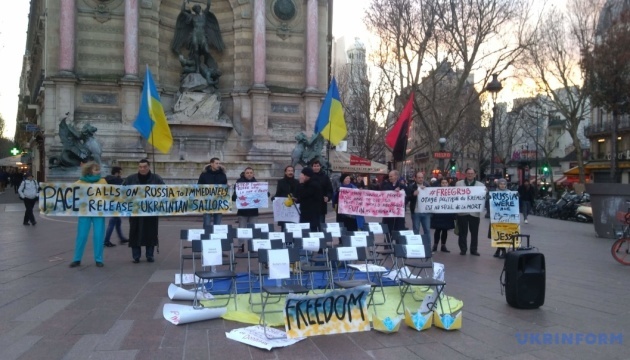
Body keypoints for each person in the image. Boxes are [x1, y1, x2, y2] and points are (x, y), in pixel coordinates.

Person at [123, 159, 164, 263]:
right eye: (140, 167)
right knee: (134, 233)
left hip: (151, 212)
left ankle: (149, 255)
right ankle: (136, 256)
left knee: (151, 233)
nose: (142, 169)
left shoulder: (156, 178)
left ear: (149, 167)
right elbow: (122, 192)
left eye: (145, 167)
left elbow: (164, 192)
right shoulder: (130, 179)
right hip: (135, 212)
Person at [69, 162, 108, 268]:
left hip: (98, 212)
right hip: (84, 211)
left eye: (98, 169)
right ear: (89, 171)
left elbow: (108, 195)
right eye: (96, 169)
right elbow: (70, 193)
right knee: (81, 235)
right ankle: (77, 259)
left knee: (99, 235)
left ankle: (99, 259)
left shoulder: (103, 181)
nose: (98, 171)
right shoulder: (80, 182)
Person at [455, 168, 486, 256]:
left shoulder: (480, 185)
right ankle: (463, 249)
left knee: (474, 233)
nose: (470, 175)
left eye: (472, 173)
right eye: (468, 173)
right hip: (462, 212)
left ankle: (474, 250)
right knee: (462, 232)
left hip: (474, 213)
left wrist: (485, 193)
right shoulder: (459, 184)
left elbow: (483, 199)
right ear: (465, 174)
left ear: (475, 174)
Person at [198, 157, 228, 228]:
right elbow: (199, 186)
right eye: (216, 163)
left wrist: (227, 186)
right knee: (207, 222)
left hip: (218, 201)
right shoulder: (204, 174)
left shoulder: (222, 175)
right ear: (211, 164)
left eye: (219, 163)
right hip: (207, 201)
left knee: (217, 223)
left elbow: (225, 186)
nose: (218, 165)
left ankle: (216, 236)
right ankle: (206, 236)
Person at [103, 166, 127, 247]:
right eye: (120, 172)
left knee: (117, 221)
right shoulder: (119, 181)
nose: (121, 173)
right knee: (113, 221)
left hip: (109, 202)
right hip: (117, 203)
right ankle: (106, 240)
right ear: (117, 173)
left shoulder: (105, 180)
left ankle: (121, 238)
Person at [430, 178, 456, 252]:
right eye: (443, 183)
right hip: (438, 213)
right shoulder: (436, 191)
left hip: (447, 214)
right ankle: (435, 245)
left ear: (448, 184)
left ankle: (443, 245)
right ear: (440, 184)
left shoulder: (452, 192)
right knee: (437, 230)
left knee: (445, 230)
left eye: (445, 183)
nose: (444, 184)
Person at [294, 167, 323, 231]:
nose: (301, 177)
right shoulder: (306, 183)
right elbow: (300, 195)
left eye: (302, 175)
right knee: (304, 230)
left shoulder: (313, 184)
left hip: (311, 214)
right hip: (305, 212)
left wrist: (301, 183)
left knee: (311, 231)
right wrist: (297, 199)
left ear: (306, 175)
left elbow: (304, 194)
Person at [272, 165, 299, 230]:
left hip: (294, 208)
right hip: (284, 209)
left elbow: (299, 194)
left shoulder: (297, 182)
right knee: (284, 228)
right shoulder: (281, 182)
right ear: (285, 172)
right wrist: (274, 198)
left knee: (294, 228)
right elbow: (278, 194)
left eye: (292, 171)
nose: (290, 172)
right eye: (289, 171)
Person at [310, 160, 333, 229]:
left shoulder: (325, 177)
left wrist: (328, 197)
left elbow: (330, 189)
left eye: (317, 166)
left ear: (320, 167)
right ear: (312, 167)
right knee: (312, 227)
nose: (316, 168)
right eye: (314, 166)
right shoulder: (309, 177)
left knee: (321, 226)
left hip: (321, 205)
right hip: (310, 205)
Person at [489, 178, 509, 258]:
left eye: (504, 184)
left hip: (506, 217)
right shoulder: (494, 193)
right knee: (498, 234)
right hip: (496, 217)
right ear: (498, 185)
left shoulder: (509, 193)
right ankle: (499, 250)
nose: (502, 185)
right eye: (501, 184)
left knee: (502, 234)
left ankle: (502, 251)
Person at [408, 171, 431, 237]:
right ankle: (417, 246)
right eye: (419, 178)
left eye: (422, 177)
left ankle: (427, 246)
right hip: (416, 212)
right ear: (415, 178)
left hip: (426, 212)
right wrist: (413, 194)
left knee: (427, 230)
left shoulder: (427, 186)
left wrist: (426, 190)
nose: (421, 179)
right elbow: (408, 198)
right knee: (416, 230)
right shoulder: (411, 187)